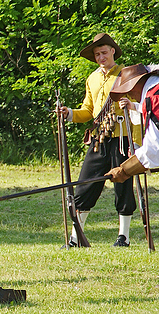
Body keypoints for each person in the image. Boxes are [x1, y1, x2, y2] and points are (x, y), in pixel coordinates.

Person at [57, 33, 140, 247]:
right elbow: (88, 110)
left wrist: (136, 143)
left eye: (104, 52)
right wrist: (69, 114)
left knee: (123, 186)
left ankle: (124, 237)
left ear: (113, 51)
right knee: (85, 185)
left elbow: (138, 105)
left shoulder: (127, 74)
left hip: (122, 137)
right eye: (97, 54)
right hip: (99, 138)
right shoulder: (92, 78)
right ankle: (76, 238)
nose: (100, 57)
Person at [106, 63, 159, 182]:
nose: (131, 96)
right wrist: (136, 107)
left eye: (129, 92)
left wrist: (124, 170)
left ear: (134, 86)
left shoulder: (153, 98)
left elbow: (153, 149)